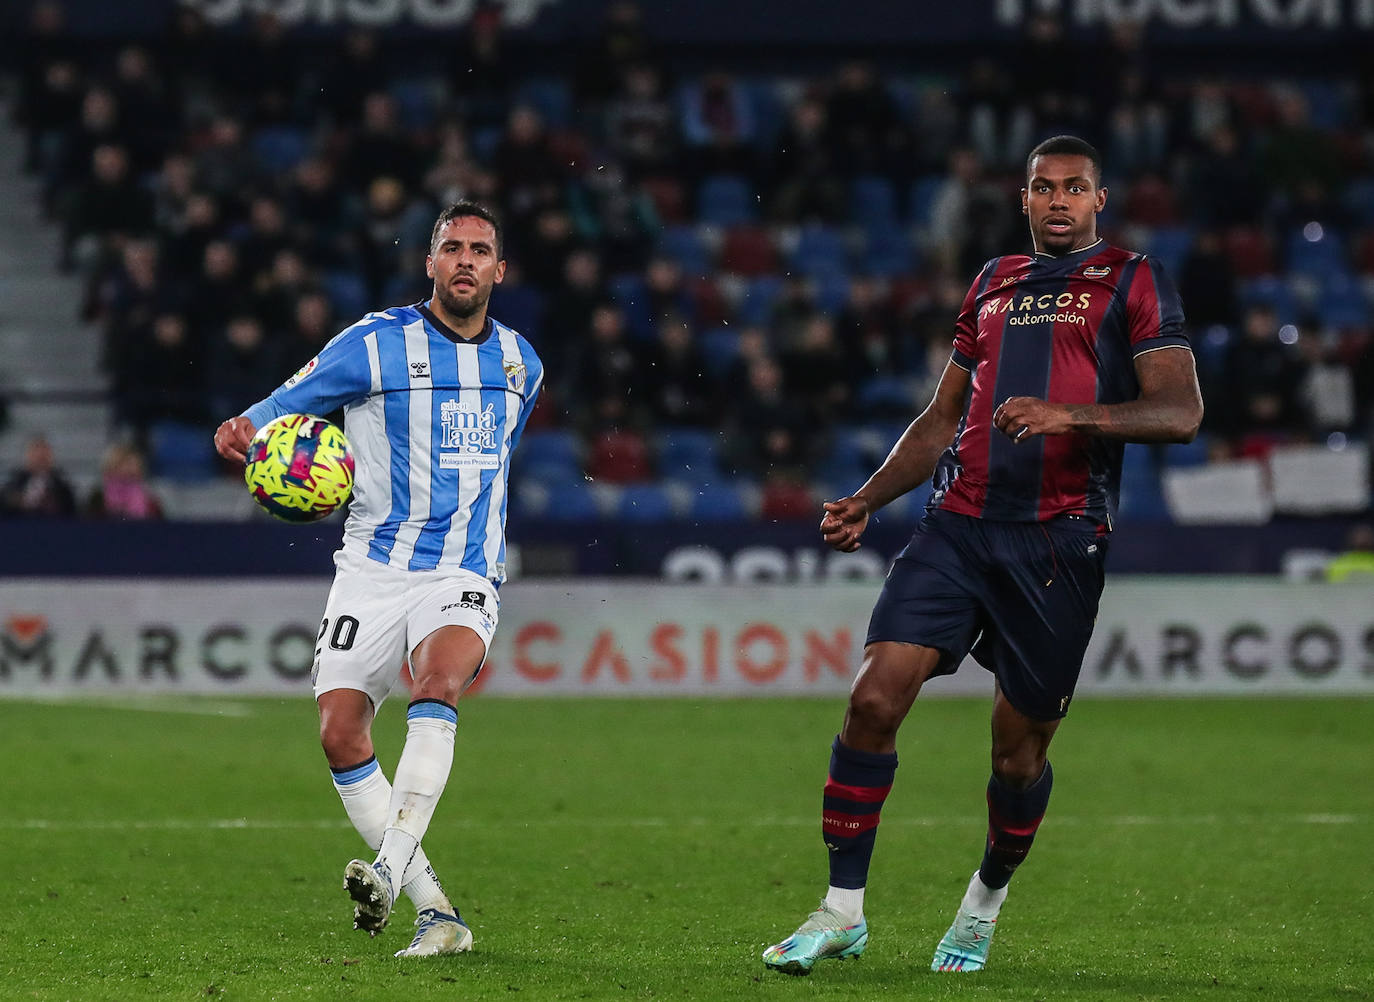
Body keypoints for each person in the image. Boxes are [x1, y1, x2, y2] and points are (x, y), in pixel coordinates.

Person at [762, 136, 1203, 976]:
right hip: (956, 526)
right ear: (1025, 199)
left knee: (1017, 753)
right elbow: (942, 418)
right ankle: (840, 911)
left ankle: (982, 904)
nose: (1060, 201)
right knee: (872, 699)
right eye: (1044, 188)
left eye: (1076, 188)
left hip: (1058, 541)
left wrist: (1070, 417)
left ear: (1099, 200)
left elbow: (1180, 412)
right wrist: (869, 496)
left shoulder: (1135, 280)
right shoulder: (992, 282)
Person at [213, 202, 543, 958]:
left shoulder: (524, 364)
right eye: (451, 248)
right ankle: (438, 914)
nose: (465, 260)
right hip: (371, 565)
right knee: (339, 732)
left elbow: (498, 465)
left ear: (500, 269)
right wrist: (242, 430)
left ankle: (388, 869)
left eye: (480, 250)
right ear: (430, 263)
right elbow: (274, 412)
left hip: (463, 567)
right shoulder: (372, 343)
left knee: (439, 683)